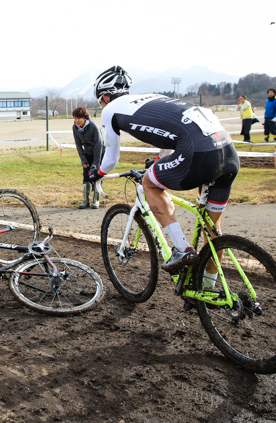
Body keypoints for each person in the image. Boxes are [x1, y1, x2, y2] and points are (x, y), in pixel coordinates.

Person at [88, 66, 239, 285]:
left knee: (150, 184)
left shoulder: (110, 110)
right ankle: (208, 288)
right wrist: (161, 161)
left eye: (101, 101)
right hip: (228, 152)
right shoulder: (154, 97)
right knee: (212, 228)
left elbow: (111, 159)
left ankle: (182, 249)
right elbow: (170, 137)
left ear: (104, 97)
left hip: (198, 153)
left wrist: (97, 174)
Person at [72, 106, 103, 209]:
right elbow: (78, 145)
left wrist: (96, 163)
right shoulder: (75, 127)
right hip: (87, 152)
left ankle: (96, 200)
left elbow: (99, 144)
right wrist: (83, 160)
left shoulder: (93, 127)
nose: (76, 121)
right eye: (75, 118)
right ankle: (86, 201)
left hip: (99, 152)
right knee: (86, 175)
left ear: (85, 118)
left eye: (78, 118)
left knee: (96, 175)